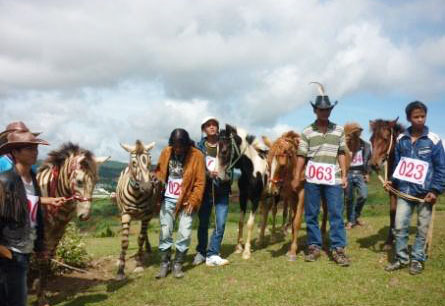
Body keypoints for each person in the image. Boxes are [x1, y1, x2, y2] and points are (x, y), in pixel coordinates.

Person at [291, 83, 349, 266]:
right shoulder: (307, 131)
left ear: (330, 110)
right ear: (315, 111)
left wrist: (345, 175)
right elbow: (302, 155)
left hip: (334, 177)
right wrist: (296, 176)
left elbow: (342, 153)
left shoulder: (339, 130)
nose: (325, 112)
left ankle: (338, 249)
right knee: (312, 213)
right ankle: (314, 246)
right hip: (313, 179)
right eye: (321, 110)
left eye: (327, 109)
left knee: (335, 213)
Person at [385, 101, 445, 275]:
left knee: (421, 227)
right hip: (404, 192)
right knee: (399, 226)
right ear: (409, 118)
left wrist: (435, 190)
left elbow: (441, 167)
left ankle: (417, 259)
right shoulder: (401, 139)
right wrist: (391, 181)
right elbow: (398, 164)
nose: (420, 120)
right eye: (415, 117)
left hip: (425, 194)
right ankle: (401, 258)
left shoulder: (433, 140)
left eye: (422, 116)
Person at [0, 130, 49, 306]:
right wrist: (5, 251)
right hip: (10, 253)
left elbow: (35, 215)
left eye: (36, 148)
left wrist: (40, 244)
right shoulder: (5, 181)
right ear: (15, 153)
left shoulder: (32, 179)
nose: (35, 152)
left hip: (25, 250)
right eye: (29, 148)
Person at [155, 128, 205, 278]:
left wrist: (193, 200)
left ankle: (178, 264)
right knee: (165, 232)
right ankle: (165, 263)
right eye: (175, 146)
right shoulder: (166, 152)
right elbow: (159, 171)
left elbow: (200, 182)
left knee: (184, 232)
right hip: (168, 199)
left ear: (186, 145)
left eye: (180, 147)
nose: (177, 150)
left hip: (187, 200)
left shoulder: (197, 156)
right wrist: (157, 181)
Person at [193, 117, 231, 267]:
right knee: (203, 223)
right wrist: (209, 174)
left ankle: (213, 254)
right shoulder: (198, 148)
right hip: (205, 190)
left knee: (220, 222)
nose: (212, 127)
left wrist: (226, 174)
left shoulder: (226, 144)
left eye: (214, 124)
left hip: (222, 189)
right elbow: (196, 168)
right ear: (204, 129)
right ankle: (201, 252)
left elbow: (232, 163)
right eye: (208, 125)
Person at [0, 122, 65, 207]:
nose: (35, 152)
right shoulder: (2, 164)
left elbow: (26, 196)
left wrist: (48, 200)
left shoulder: (31, 169)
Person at [345, 123, 371, 229]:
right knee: (349, 198)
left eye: (358, 131)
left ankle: (355, 217)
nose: (357, 134)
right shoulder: (344, 145)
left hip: (360, 174)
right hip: (348, 173)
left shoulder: (366, 145)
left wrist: (368, 173)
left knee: (363, 196)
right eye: (354, 132)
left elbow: (368, 161)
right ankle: (351, 221)